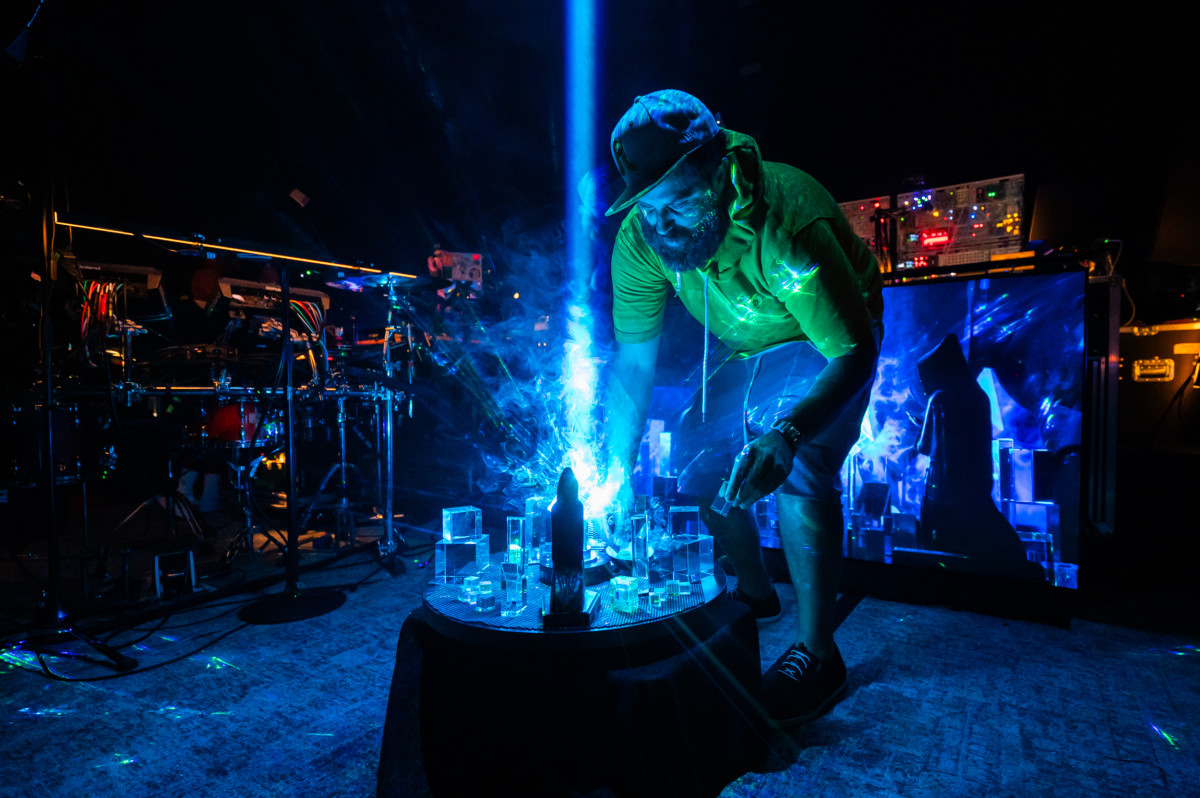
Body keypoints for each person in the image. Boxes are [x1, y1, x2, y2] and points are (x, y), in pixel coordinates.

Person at [603, 90, 883, 725]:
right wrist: (617, 472)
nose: (661, 227)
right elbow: (634, 365)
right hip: (752, 343)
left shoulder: (787, 217)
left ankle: (818, 653)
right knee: (696, 448)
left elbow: (853, 353)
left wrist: (786, 432)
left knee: (803, 461)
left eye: (674, 205)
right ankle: (756, 598)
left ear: (717, 167)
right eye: (647, 210)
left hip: (830, 338)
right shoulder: (643, 239)